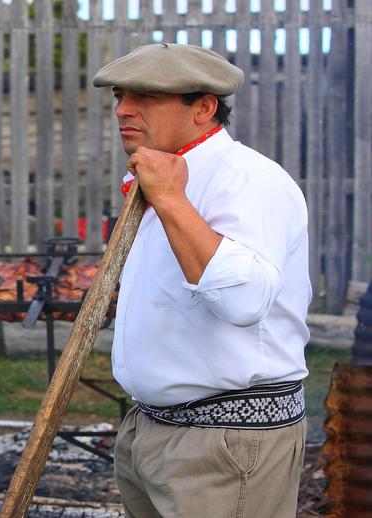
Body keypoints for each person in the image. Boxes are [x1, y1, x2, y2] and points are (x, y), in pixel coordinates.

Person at [92, 43, 311, 517]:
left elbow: (244, 300)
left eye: (145, 97)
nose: (123, 110)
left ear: (204, 107)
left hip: (226, 444)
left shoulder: (250, 181)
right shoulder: (162, 177)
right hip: (151, 430)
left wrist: (171, 200)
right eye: (119, 96)